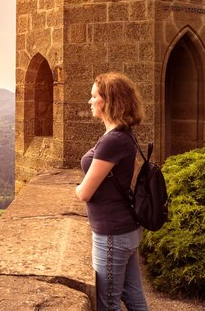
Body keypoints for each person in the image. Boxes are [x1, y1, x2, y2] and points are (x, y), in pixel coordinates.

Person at [75, 72, 149, 311]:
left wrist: (77, 188)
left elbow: (85, 193)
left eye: (94, 96)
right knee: (134, 299)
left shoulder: (112, 140)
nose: (90, 101)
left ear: (108, 101)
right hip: (124, 229)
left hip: (111, 234)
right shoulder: (123, 134)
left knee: (107, 303)